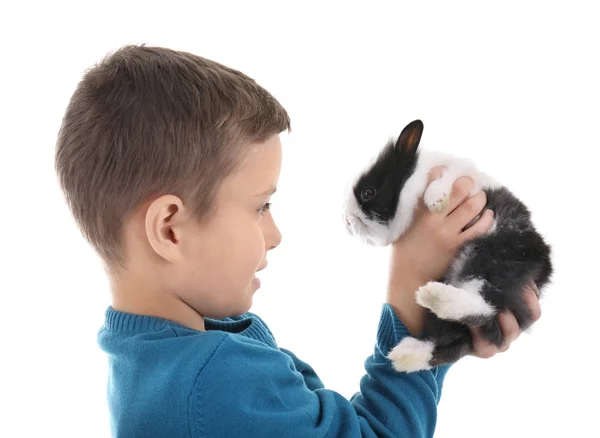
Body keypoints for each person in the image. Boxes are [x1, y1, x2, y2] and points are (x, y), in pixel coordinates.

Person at [54, 44, 541, 437]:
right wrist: (411, 291)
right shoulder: (214, 381)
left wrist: (436, 338)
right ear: (169, 229)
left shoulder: (157, 356)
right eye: (261, 206)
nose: (275, 234)